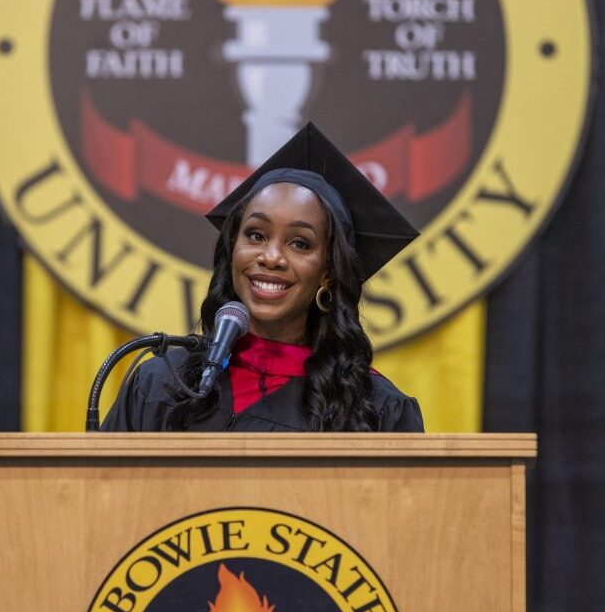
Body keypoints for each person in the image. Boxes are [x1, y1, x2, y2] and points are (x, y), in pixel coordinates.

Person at [101, 123, 424, 432]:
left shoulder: (371, 410)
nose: (270, 257)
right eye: (255, 235)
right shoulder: (161, 382)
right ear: (232, 251)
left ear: (328, 274)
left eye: (300, 243)